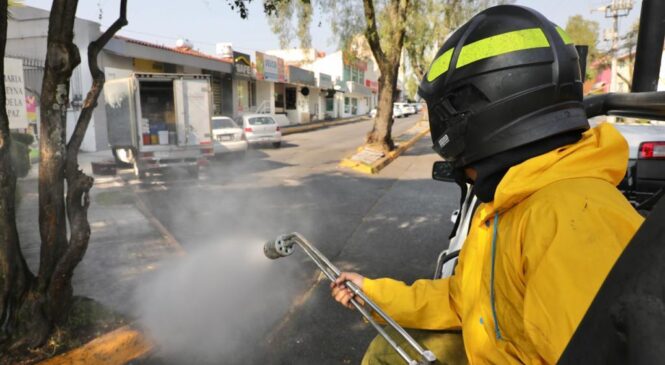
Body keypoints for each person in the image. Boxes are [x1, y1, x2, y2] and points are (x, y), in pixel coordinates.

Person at [330, 5, 644, 364]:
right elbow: (463, 300)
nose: (461, 169)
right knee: (387, 353)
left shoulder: (572, 222)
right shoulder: (514, 203)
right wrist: (372, 293)